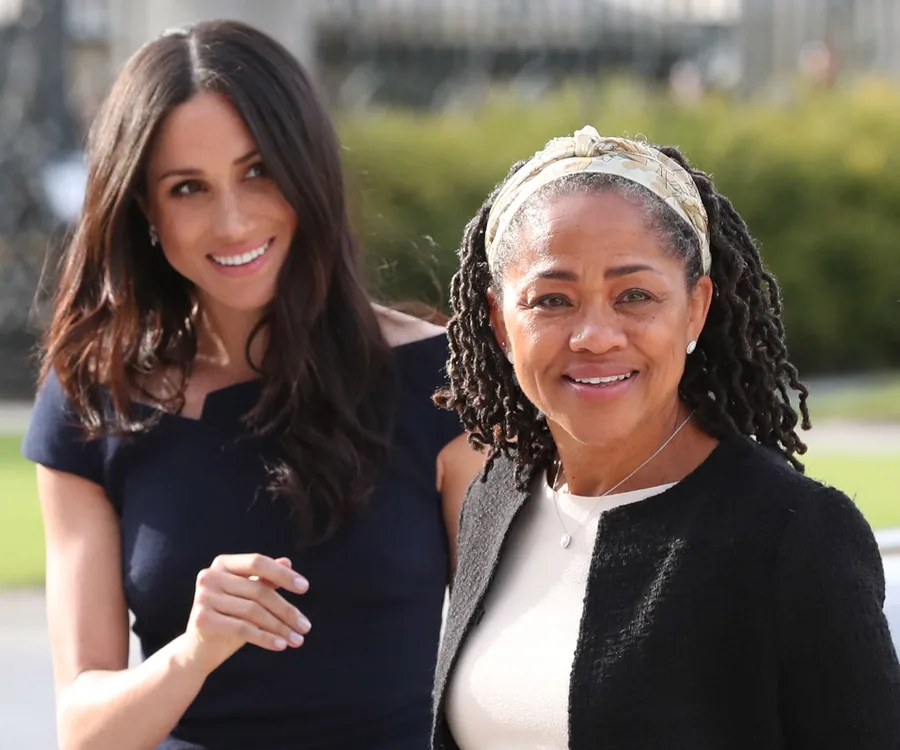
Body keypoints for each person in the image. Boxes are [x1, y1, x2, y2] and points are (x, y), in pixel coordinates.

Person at [22, 20, 482, 750]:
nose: (232, 221)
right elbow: (84, 731)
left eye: (259, 170)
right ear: (146, 210)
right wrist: (194, 649)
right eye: (188, 188)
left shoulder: (444, 384)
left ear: (309, 172)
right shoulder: (95, 395)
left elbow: (514, 678)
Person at [432, 126, 900, 749]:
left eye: (634, 295)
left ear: (696, 308)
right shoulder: (497, 495)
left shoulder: (792, 535)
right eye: (551, 300)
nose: (595, 334)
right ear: (499, 321)